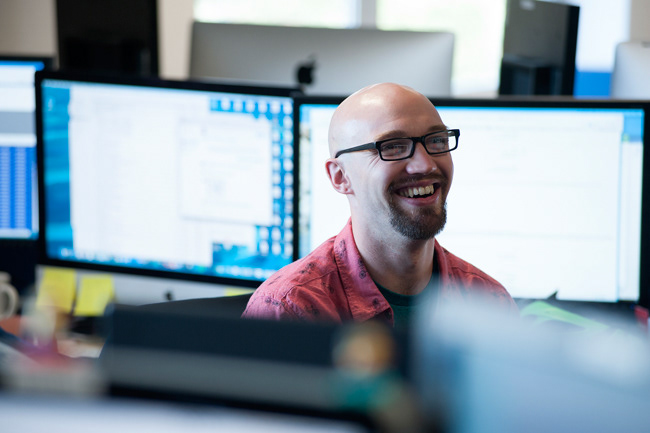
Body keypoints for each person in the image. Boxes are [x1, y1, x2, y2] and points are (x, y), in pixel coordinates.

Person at [242, 83, 517, 327]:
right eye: (393, 146)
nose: (425, 165)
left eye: (436, 141)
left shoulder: (490, 304)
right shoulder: (290, 310)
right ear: (340, 177)